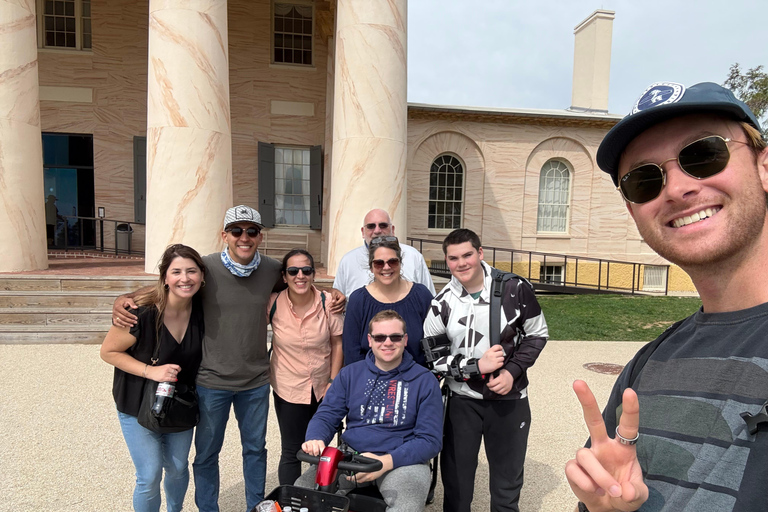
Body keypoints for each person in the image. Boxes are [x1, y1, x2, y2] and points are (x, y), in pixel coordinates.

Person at [564, 81, 768, 512]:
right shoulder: (647, 365)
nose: (676, 189)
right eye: (644, 180)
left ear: (764, 166)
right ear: (633, 210)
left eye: (703, 154)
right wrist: (606, 507)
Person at [112, 205, 345, 511]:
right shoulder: (205, 269)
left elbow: (300, 281)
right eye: (236, 231)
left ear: (260, 236)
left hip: (256, 382)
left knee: (255, 451)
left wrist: (332, 291)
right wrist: (123, 298)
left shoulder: (272, 270)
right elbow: (171, 282)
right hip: (211, 381)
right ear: (224, 235)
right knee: (207, 454)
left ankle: (253, 507)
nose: (243, 237)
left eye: (251, 231)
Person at [422, 228, 549, 512]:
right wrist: (476, 366)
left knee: (506, 485)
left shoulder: (515, 288)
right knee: (456, 486)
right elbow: (434, 358)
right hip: (462, 402)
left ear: (480, 253)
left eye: (468, 254)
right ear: (447, 261)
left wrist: (511, 371)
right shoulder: (441, 302)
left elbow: (537, 334)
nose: (462, 263)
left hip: (509, 400)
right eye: (453, 258)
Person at [297, 310, 443, 512]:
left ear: (405, 339)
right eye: (380, 337)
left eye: (395, 337)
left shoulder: (424, 380)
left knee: (407, 504)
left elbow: (430, 440)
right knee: (301, 492)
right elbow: (327, 414)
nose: (388, 342)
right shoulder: (350, 374)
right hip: (352, 457)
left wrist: (385, 462)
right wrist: (315, 437)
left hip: (401, 460)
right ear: (370, 340)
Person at [100, 244, 206, 512]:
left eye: (192, 271)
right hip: (136, 403)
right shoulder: (140, 313)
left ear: (202, 276)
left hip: (178, 404)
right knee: (148, 476)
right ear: (165, 277)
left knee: (179, 468)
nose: (185, 278)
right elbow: (108, 351)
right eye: (177, 272)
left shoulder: (204, 311)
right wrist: (151, 371)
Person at [268, 248, 343, 486]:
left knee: (320, 448)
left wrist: (333, 381)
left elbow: (337, 343)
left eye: (306, 270)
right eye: (293, 271)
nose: (300, 275)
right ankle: (289, 501)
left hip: (323, 387)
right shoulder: (272, 304)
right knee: (291, 451)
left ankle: (317, 498)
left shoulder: (328, 302)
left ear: (313, 274)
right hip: (288, 387)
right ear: (284, 276)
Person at [343, 236, 433, 366]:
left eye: (392, 262)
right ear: (371, 267)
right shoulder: (358, 300)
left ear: (400, 263)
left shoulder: (421, 296)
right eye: (379, 263)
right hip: (370, 382)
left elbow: (433, 342)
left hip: (416, 381)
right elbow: (351, 352)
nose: (386, 267)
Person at [333, 208, 436, 296]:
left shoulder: (414, 256)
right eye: (371, 226)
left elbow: (429, 298)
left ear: (392, 229)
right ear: (363, 232)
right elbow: (338, 299)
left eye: (383, 225)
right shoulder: (348, 261)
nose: (377, 231)